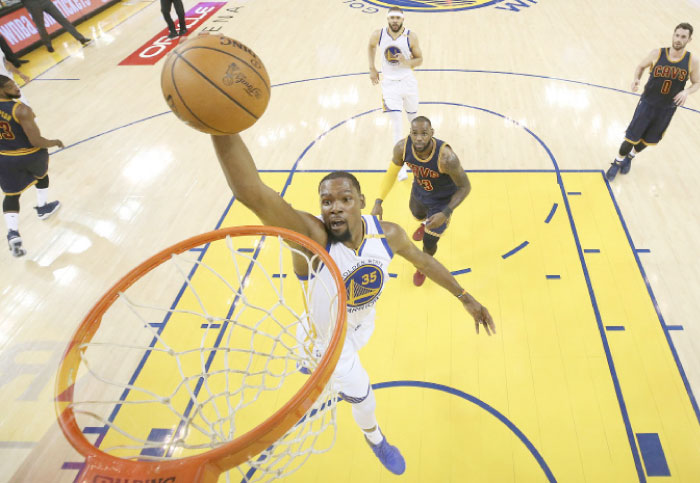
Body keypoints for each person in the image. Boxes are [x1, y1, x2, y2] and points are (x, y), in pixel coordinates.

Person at [210, 132, 494, 475]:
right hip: (329, 341)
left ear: (361, 201)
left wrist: (466, 298)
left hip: (361, 324)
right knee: (363, 395)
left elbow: (424, 262)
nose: (335, 207)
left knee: (341, 341)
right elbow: (251, 192)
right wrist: (219, 126)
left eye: (345, 198)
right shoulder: (311, 238)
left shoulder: (387, 235)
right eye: (326, 202)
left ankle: (308, 361)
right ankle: (376, 440)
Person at [371, 116, 470, 287]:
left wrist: (445, 212)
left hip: (442, 202)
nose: (418, 138)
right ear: (410, 133)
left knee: (430, 242)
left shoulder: (447, 157)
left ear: (432, 133)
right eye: (414, 133)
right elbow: (391, 173)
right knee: (417, 214)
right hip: (419, 191)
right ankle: (424, 224)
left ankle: (424, 266)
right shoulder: (402, 148)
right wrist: (378, 201)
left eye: (424, 134)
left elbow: (465, 187)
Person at [606, 23, 699, 181]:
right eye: (677, 35)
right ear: (673, 35)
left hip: (667, 109)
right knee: (631, 138)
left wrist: (686, 91)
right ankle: (617, 162)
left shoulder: (692, 61)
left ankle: (630, 157)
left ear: (689, 39)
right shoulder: (657, 53)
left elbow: (697, 82)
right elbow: (641, 66)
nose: (678, 39)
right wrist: (636, 79)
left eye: (683, 37)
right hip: (647, 104)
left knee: (647, 140)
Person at [0, 76, 64, 257]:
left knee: (11, 195)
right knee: (42, 176)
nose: (16, 87)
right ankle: (42, 207)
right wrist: (54, 141)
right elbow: (35, 140)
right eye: (10, 86)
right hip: (30, 155)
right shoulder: (20, 109)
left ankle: (12, 233)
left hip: (4, 158)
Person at [368, 7, 423, 182]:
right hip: (389, 85)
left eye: (397, 18)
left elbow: (419, 59)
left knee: (414, 123)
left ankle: (420, 159)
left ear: (402, 19)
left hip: (408, 82)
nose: (394, 21)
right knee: (397, 125)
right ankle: (401, 166)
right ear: (387, 19)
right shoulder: (379, 34)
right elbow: (370, 46)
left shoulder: (411, 36)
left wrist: (406, 61)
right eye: (391, 17)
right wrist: (372, 68)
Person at [20, 0, 91, 53]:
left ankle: (80, 38)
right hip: (32, 4)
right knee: (41, 26)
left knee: (62, 19)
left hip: (45, 2)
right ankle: (48, 45)